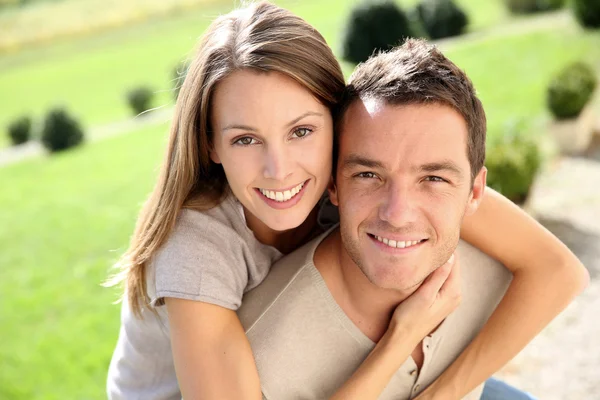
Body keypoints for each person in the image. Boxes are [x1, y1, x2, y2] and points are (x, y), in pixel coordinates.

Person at [106, 2, 588, 399]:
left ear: (337, 124)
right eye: (245, 140)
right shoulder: (195, 251)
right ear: (210, 144)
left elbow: (557, 269)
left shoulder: (360, 167)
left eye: (301, 131)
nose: (280, 170)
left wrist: (445, 392)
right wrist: (403, 335)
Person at [236, 38, 553, 400]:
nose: (397, 214)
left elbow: (560, 272)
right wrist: (401, 338)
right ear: (334, 185)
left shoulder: (496, 259)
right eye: (369, 175)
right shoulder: (263, 357)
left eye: (433, 179)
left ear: (475, 193)